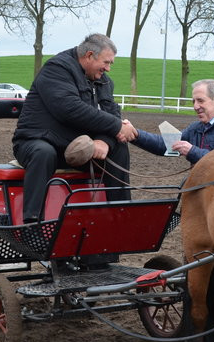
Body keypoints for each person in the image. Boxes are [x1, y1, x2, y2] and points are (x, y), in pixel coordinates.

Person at [12, 33, 136, 223]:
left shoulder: (104, 81)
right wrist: (117, 126)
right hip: (37, 140)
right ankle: (31, 223)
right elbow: (70, 110)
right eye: (106, 62)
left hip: (77, 147)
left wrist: (104, 141)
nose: (108, 68)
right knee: (44, 152)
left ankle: (120, 217)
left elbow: (112, 113)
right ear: (89, 56)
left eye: (110, 63)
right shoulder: (57, 69)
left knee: (118, 148)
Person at [128, 79, 214, 163]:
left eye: (200, 101)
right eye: (193, 101)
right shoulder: (195, 128)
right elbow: (165, 145)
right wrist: (135, 134)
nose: (195, 106)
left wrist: (192, 151)